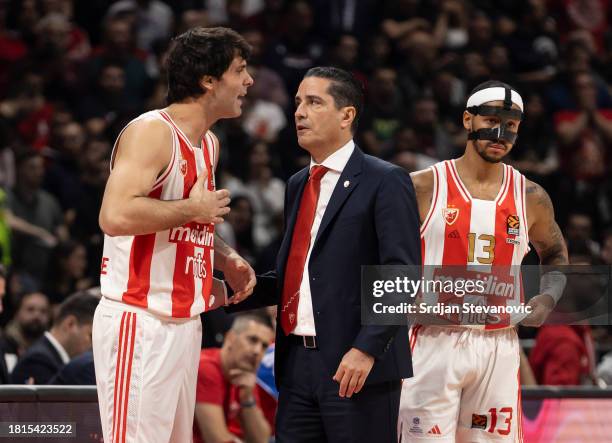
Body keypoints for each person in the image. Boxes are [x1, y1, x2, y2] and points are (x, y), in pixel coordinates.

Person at [230, 66, 421, 442]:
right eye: (299, 101)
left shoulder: (385, 179)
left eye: (314, 102)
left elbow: (402, 274)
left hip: (356, 364)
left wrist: (367, 350)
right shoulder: (298, 184)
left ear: (347, 115)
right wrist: (229, 290)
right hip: (297, 362)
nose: (299, 111)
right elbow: (298, 277)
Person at [94, 27, 256, 443]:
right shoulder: (152, 132)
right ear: (208, 80)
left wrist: (224, 258)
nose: (249, 81)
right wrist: (194, 209)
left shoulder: (209, 144)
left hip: (186, 323)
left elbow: (182, 224)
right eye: (240, 70)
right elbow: (114, 214)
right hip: (140, 318)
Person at [398, 80, 569, 441]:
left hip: (499, 342)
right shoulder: (422, 186)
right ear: (467, 120)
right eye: (491, 120)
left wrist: (548, 297)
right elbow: (376, 256)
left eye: (511, 126)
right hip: (431, 339)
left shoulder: (531, 196)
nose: (500, 133)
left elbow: (554, 253)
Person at [194, 314, 274, 443]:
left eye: (264, 346)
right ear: (230, 338)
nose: (257, 351)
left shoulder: (245, 374)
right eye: (252, 340)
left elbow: (261, 439)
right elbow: (216, 439)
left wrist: (247, 399)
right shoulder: (206, 367)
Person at [11, 292, 98, 384]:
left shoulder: (46, 357)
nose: (92, 345)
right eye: (90, 335)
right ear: (70, 324)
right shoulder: (38, 361)